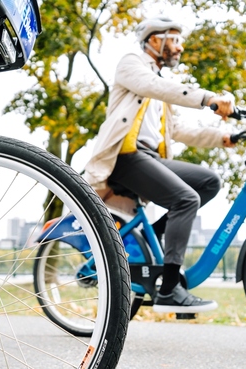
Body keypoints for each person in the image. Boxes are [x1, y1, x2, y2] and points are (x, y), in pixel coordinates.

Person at [83, 16, 235, 313]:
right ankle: (168, 289)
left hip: (149, 158)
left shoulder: (160, 89)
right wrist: (208, 99)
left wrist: (224, 138)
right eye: (174, 39)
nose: (179, 47)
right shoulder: (132, 65)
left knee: (209, 182)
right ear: (154, 40)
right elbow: (153, 86)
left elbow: (179, 131)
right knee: (186, 199)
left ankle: (159, 232)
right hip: (124, 156)